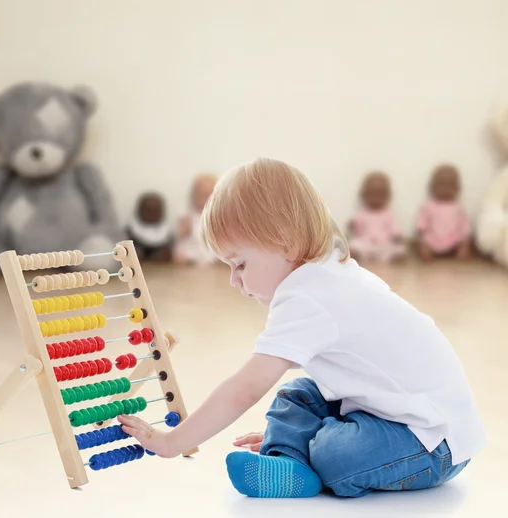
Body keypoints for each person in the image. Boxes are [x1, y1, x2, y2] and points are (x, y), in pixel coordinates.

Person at [119, 158, 486, 499]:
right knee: (298, 393)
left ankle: (307, 455)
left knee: (335, 456)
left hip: (431, 443)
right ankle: (290, 461)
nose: (234, 280)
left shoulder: (308, 297)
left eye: (240, 264)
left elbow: (245, 388)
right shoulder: (326, 271)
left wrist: (172, 441)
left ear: (285, 243)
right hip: (396, 413)